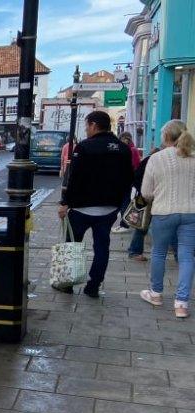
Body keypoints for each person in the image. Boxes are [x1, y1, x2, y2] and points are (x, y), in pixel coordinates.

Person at [58, 110, 134, 297]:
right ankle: (93, 286)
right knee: (102, 248)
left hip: (81, 208)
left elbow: (73, 178)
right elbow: (128, 179)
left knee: (72, 245)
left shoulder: (84, 147)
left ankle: (67, 283)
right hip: (108, 209)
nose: (86, 129)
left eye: (87, 126)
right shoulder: (123, 149)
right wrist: (118, 202)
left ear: (93, 125)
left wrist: (64, 203)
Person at [140, 120, 195, 319]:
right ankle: (181, 304)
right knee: (187, 256)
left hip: (163, 212)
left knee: (159, 253)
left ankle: (155, 294)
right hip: (191, 213)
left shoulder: (156, 159)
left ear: (165, 137)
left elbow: (146, 192)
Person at [126, 146, 160, 261]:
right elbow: (137, 178)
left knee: (143, 225)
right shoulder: (150, 161)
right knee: (142, 225)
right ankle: (134, 251)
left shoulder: (148, 160)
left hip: (149, 196)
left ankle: (134, 250)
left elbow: (135, 177)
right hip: (147, 197)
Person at [113, 132, 143, 233]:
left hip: (125, 181)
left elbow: (135, 166)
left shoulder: (127, 150)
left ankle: (124, 224)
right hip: (126, 180)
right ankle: (124, 223)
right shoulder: (132, 149)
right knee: (125, 202)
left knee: (124, 203)